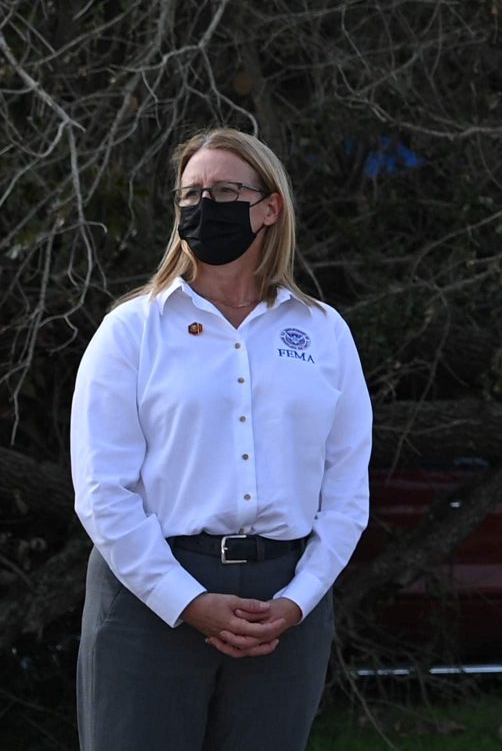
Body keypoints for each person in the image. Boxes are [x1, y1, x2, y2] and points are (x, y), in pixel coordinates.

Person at [69, 128, 373, 751]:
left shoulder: (324, 332)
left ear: (269, 208)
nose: (205, 204)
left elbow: (346, 492)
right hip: (149, 600)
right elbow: (103, 492)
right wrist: (185, 600)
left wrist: (298, 599)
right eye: (191, 192)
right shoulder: (131, 331)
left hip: (285, 608)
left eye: (226, 189)